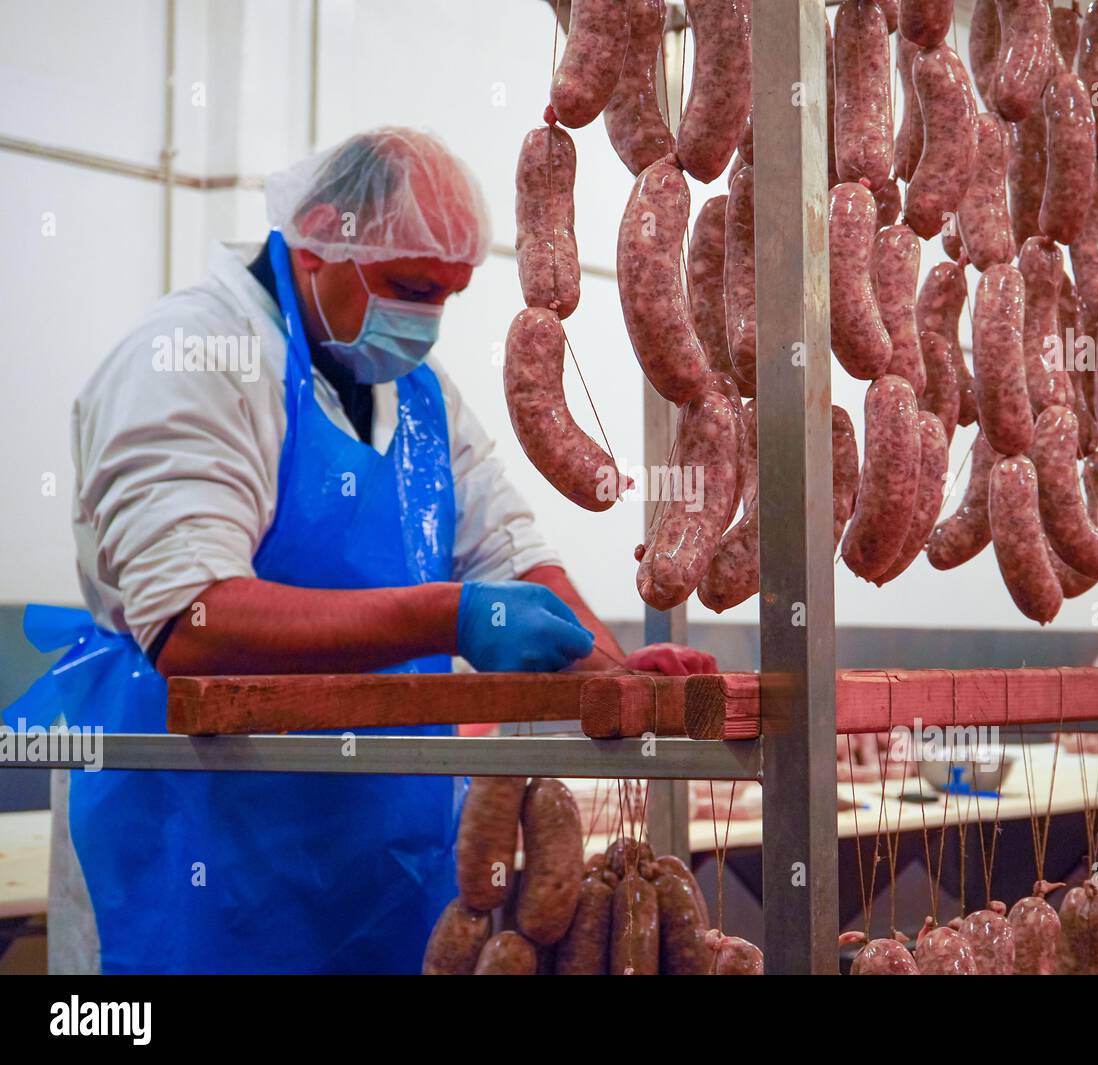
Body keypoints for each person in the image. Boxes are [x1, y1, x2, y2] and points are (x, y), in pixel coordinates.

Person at [7, 127, 713, 975]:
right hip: (201, 866)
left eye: (449, 295)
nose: (429, 320)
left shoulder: (420, 394)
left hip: (384, 873)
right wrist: (451, 616)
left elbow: (509, 550)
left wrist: (608, 663)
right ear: (317, 241)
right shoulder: (195, 358)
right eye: (411, 288)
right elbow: (190, 619)